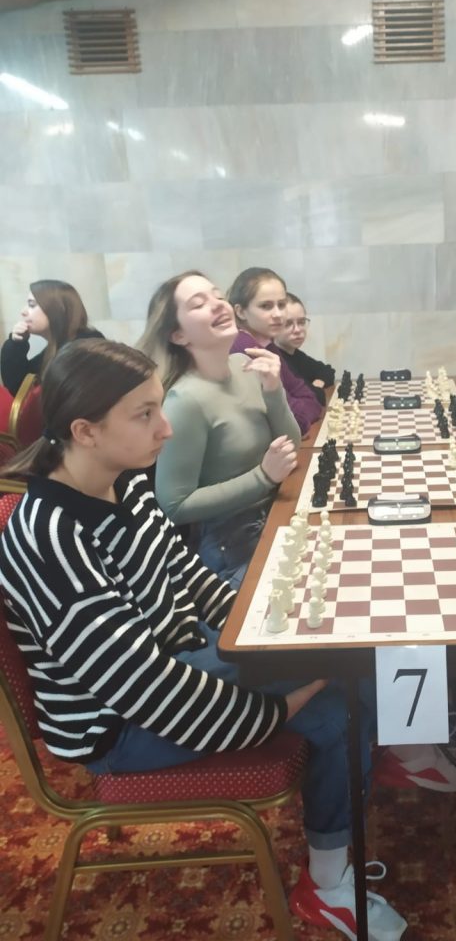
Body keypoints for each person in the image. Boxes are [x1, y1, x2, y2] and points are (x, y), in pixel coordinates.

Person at [0, 338, 406, 941]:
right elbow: (145, 690)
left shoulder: (126, 482)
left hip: (174, 663)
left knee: (335, 650)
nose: (165, 429)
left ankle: (344, 824)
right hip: (115, 727)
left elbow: (191, 579)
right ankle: (326, 888)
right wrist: (276, 708)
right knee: (339, 706)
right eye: (145, 415)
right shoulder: (50, 539)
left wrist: (269, 635)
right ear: (85, 432)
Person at [137, 272, 301, 591]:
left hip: (278, 513)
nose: (217, 305)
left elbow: (290, 448)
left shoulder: (245, 364)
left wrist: (273, 390)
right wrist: (263, 477)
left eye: (218, 296)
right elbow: (174, 506)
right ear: (178, 335)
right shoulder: (184, 401)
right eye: (199, 304)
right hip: (232, 547)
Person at [228, 269, 323, 435]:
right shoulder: (245, 349)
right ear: (241, 312)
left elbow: (308, 397)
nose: (278, 314)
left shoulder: (267, 344)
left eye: (282, 304)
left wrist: (304, 407)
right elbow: (297, 421)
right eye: (266, 306)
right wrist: (303, 408)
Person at [0, 279, 104, 395]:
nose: (23, 312)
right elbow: (20, 390)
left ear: (56, 309)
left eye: (32, 305)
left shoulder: (84, 347)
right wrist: (16, 344)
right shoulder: (59, 345)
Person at [273, 292, 335, 406]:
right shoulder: (276, 359)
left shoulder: (295, 354)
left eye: (301, 322)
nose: (297, 330)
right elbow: (316, 397)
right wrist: (315, 389)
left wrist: (317, 384)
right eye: (288, 324)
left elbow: (327, 371)